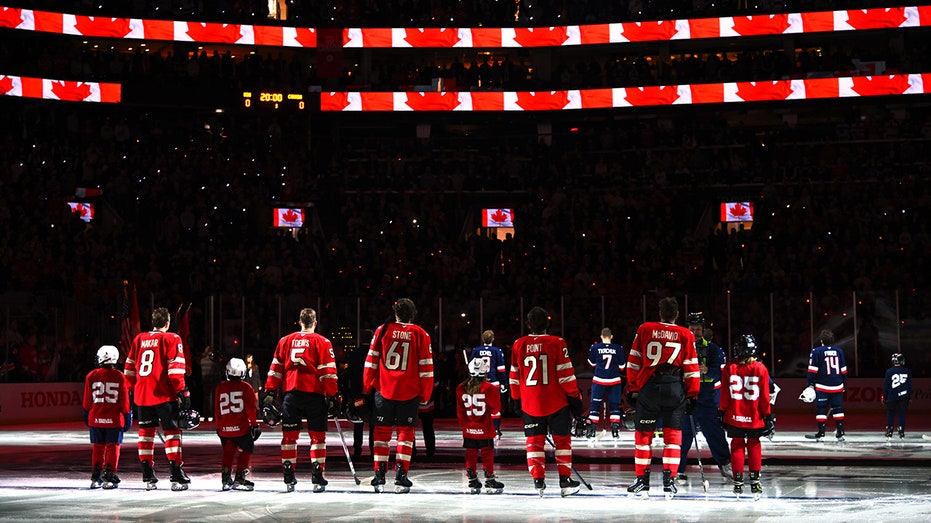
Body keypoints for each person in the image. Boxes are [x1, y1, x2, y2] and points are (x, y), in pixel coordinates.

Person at [625, 296, 699, 499]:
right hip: (675, 389)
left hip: (649, 389)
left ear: (660, 313)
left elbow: (633, 362)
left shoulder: (645, 329)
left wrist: (632, 388)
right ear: (677, 314)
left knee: (643, 437)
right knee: (673, 438)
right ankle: (670, 482)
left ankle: (642, 481)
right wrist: (693, 395)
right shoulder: (686, 334)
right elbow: (691, 368)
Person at [508, 306, 584, 497]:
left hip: (530, 403)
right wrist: (575, 399)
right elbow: (566, 375)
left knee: (534, 443)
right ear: (548, 323)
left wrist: (516, 400)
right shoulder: (557, 342)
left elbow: (514, 377)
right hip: (556, 402)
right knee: (562, 442)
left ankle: (538, 481)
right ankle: (565, 481)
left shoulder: (519, 344)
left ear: (528, 324)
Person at [262, 307, 339, 493]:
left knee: (289, 437)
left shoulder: (285, 341)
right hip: (314, 394)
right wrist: (333, 395)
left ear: (299, 321)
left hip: (291, 394)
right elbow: (328, 371)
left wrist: (270, 391)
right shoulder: (323, 342)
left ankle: (288, 473)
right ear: (315, 322)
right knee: (318, 437)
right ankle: (317, 474)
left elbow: (275, 368)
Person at [363, 298, 434, 493]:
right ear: (413, 314)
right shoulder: (420, 334)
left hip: (384, 390)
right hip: (409, 392)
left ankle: (379, 473)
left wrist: (367, 385)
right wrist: (426, 393)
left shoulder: (382, 330)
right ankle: (401, 475)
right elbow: (426, 368)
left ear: (396, 313)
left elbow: (371, 361)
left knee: (381, 434)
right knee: (405, 434)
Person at [123, 307, 193, 491]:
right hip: (163, 395)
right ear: (167, 323)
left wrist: (134, 388)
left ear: (153, 322)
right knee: (172, 432)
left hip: (142, 395)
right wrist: (182, 391)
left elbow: (128, 369)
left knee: (146, 434)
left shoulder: (139, 339)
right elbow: (175, 370)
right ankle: (176, 473)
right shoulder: (172, 338)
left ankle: (147, 474)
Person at [677, 315, 731, 484]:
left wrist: (707, 370)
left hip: (706, 397)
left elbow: (720, 373)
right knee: (683, 434)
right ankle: (678, 470)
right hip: (685, 396)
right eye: (692, 329)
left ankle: (725, 464)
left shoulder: (713, 349)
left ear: (703, 330)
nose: (695, 332)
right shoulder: (680, 347)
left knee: (714, 432)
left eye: (698, 329)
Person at [719, 334, 773, 499]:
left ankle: (738, 482)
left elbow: (725, 394)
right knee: (754, 445)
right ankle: (755, 482)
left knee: (736, 446)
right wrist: (768, 416)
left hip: (734, 415)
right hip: (754, 417)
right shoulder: (760, 368)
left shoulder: (729, 367)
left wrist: (721, 411)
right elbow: (764, 396)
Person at [82, 345, 132, 489]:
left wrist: (87, 415)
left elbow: (86, 401)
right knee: (112, 447)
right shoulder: (120, 376)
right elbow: (124, 400)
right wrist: (127, 416)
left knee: (98, 447)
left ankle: (95, 476)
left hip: (96, 418)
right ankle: (109, 475)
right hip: (114, 419)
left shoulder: (91, 376)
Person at [456, 357, 504, 494]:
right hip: (485, 427)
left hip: (468, 427)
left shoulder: (460, 388)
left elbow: (460, 411)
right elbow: (496, 408)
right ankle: (489, 478)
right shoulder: (489, 388)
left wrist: (465, 426)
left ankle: (471, 477)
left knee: (470, 452)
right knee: (487, 453)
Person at [215, 357, 261, 491]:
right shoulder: (246, 387)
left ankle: (225, 477)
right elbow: (250, 409)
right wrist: (254, 424)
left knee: (228, 451)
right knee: (247, 449)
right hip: (240, 428)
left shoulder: (220, 387)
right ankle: (240, 477)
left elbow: (217, 409)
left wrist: (219, 425)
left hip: (224, 427)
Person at [802, 329, 847, 441]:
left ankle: (821, 433)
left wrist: (810, 384)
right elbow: (843, 370)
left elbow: (812, 370)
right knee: (837, 408)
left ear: (821, 340)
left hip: (823, 385)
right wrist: (844, 384)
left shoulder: (816, 351)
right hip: (838, 384)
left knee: (821, 408)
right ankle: (840, 432)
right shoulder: (839, 351)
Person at [584, 327, 627, 439]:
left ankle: (592, 430)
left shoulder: (595, 347)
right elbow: (622, 367)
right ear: (611, 336)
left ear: (601, 337)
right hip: (614, 381)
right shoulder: (618, 348)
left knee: (595, 405)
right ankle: (615, 430)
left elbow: (592, 364)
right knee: (614, 406)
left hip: (599, 380)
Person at [469, 330, 508, 438]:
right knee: (495, 407)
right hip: (493, 382)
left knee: (479, 405)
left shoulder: (476, 350)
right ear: (493, 339)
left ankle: (479, 427)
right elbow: (501, 368)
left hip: (479, 382)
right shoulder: (497, 351)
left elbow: (471, 367)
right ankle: (495, 429)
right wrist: (504, 382)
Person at [348, 329, 374, 458]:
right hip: (373, 394)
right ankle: (373, 448)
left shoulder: (354, 354)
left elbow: (349, 374)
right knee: (373, 422)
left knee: (358, 421)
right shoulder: (375, 353)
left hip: (358, 395)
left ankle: (357, 448)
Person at [883, 352, 912, 439]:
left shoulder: (889, 371)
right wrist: (909, 396)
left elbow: (886, 385)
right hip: (904, 396)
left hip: (892, 395)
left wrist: (884, 396)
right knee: (902, 412)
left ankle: (889, 429)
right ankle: (901, 429)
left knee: (891, 412)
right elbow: (909, 385)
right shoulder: (907, 371)